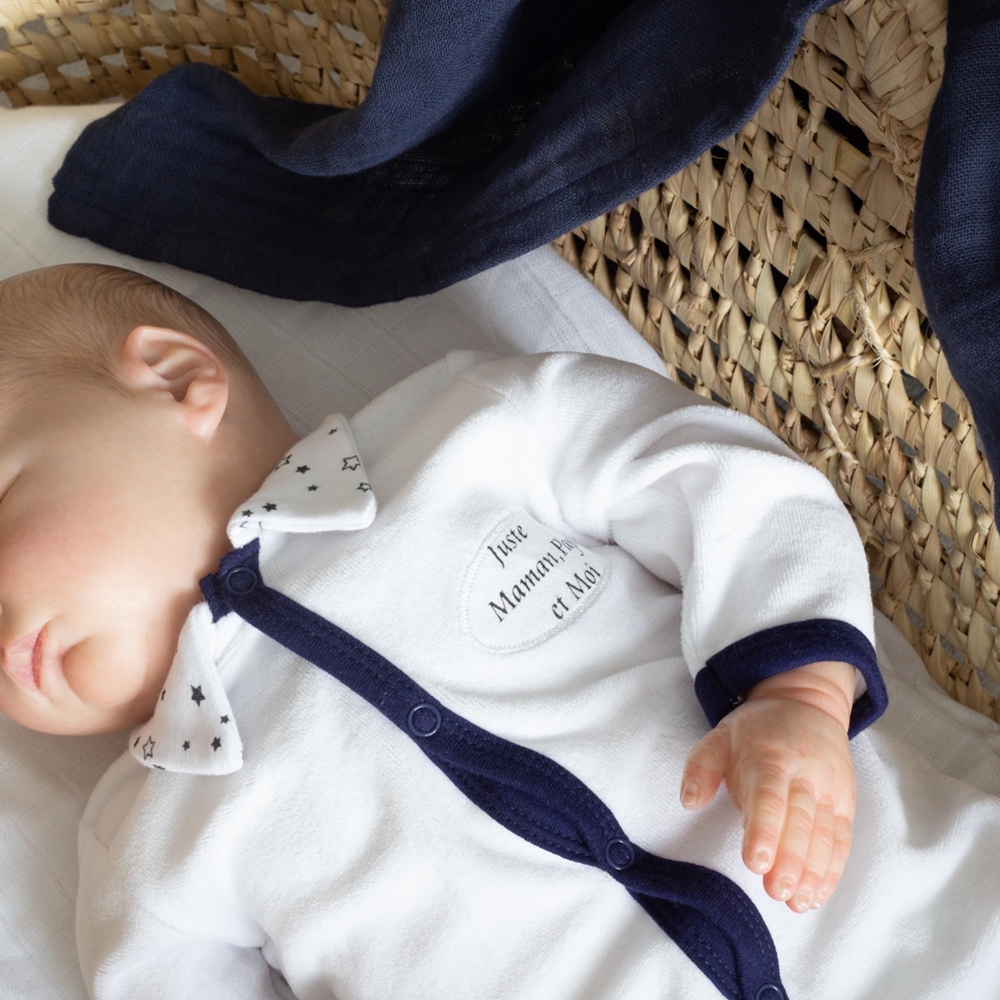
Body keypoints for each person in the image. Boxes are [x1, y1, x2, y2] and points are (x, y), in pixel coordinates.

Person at [0, 261, 903, 1000]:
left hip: (908, 919)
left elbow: (719, 478)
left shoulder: (467, 432)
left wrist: (800, 689)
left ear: (173, 379)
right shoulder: (146, 845)